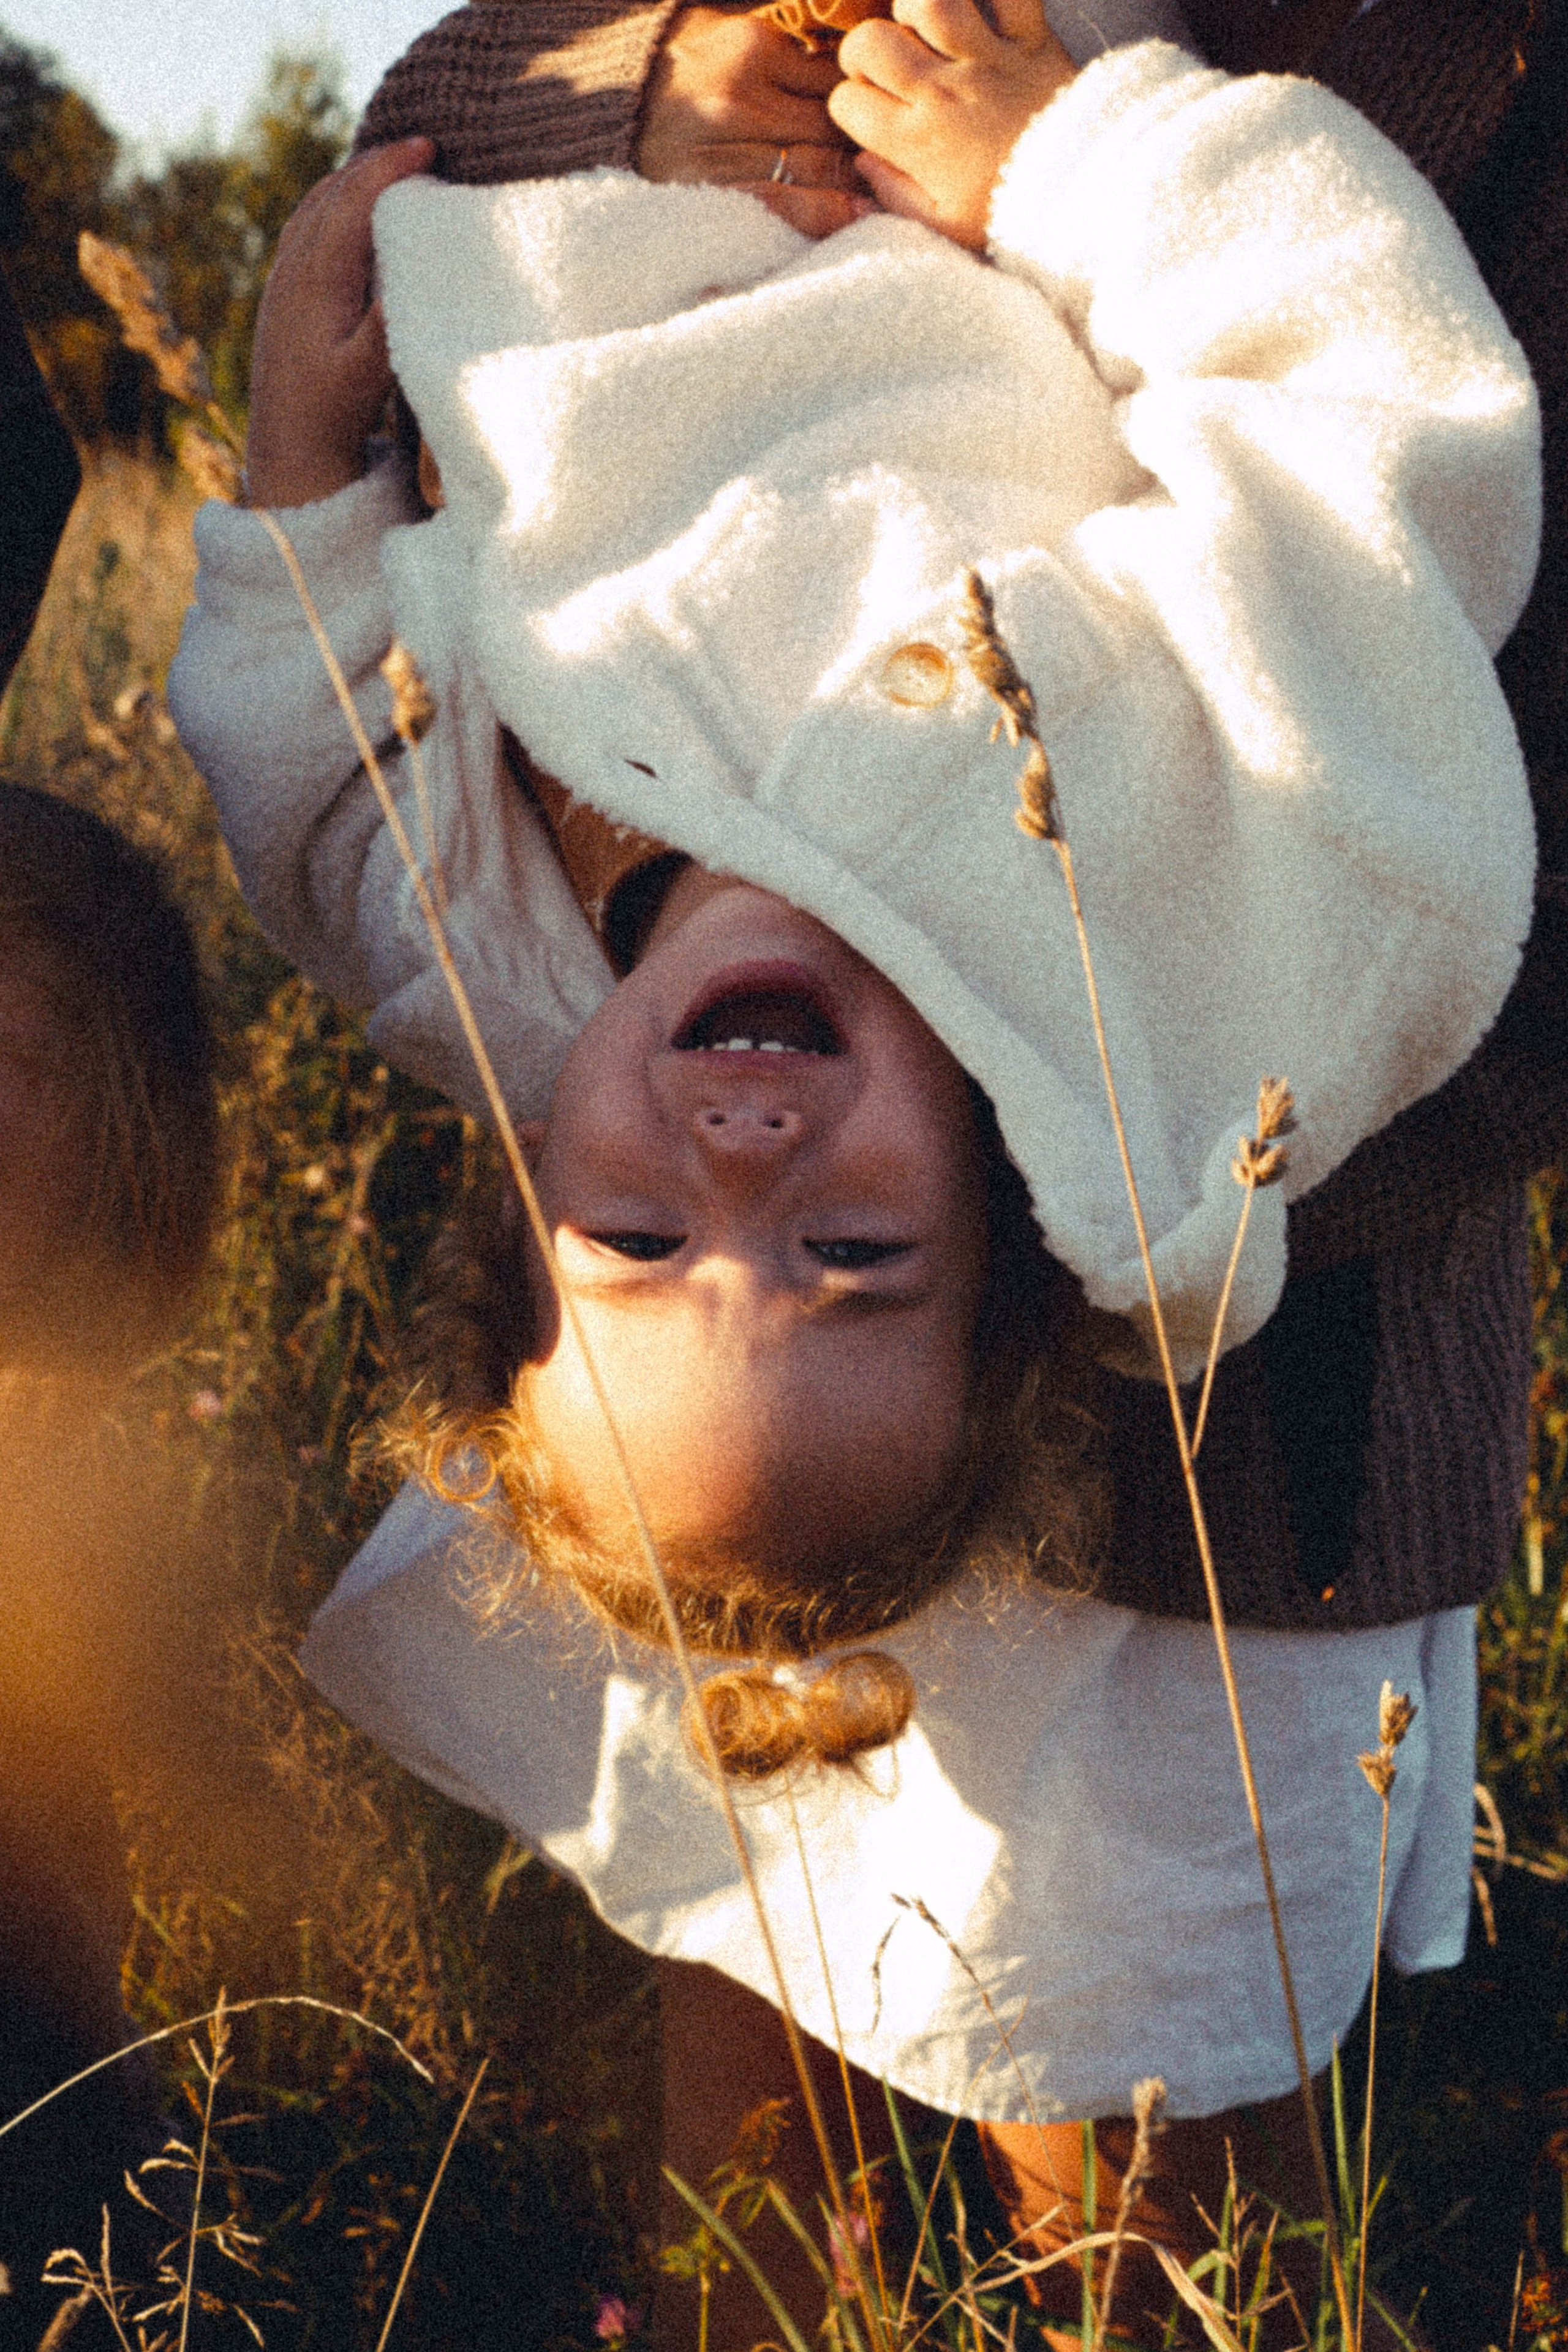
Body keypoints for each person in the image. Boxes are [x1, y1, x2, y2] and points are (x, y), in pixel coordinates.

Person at [165, 0, 1544, 2339]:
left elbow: (313, 797)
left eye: (636, 1242)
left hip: (1178, 1606)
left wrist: (308, 451)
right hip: (1061, 159)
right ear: (1015, 1245)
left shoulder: (511, 966)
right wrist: (1086, 161)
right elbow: (1375, 455)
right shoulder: (1157, 950)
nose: (740, 1161)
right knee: (812, 1971)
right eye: (848, 1251)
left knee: (1038, 2059)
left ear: (517, 1205)